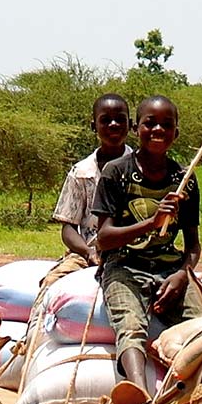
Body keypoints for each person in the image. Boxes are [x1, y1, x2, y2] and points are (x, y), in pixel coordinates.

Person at [92, 94, 202, 404]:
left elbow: (193, 245)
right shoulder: (116, 173)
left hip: (169, 270)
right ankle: (139, 394)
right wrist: (151, 223)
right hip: (124, 266)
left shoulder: (184, 181)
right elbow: (104, 239)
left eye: (166, 125)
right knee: (130, 325)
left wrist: (182, 276)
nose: (157, 130)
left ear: (176, 133)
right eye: (149, 123)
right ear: (135, 129)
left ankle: (198, 391)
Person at [37, 93, 131, 290]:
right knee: (50, 284)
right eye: (105, 120)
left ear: (130, 124)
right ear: (93, 126)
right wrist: (88, 252)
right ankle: (36, 322)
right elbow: (68, 227)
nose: (113, 124)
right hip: (87, 252)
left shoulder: (142, 168)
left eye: (120, 119)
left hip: (134, 253)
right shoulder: (81, 172)